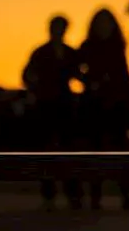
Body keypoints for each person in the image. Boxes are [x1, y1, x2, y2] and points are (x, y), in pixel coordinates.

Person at [77, 7, 129, 211]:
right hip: (95, 107)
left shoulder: (117, 46)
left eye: (107, 23)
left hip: (117, 105)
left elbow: (124, 74)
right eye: (100, 23)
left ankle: (126, 194)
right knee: (95, 151)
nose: (104, 27)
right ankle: (95, 196)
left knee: (122, 152)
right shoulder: (87, 47)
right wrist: (90, 82)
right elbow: (74, 68)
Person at [21, 14, 84, 210]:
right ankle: (49, 193)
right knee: (46, 150)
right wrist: (36, 89)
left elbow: (79, 75)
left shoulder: (69, 53)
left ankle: (72, 192)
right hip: (45, 106)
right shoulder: (41, 53)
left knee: (68, 150)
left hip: (64, 106)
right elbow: (26, 75)